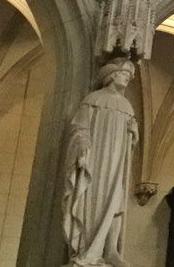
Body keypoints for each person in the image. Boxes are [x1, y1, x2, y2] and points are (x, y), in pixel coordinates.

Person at [63, 58, 139, 267]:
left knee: (117, 200)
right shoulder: (94, 99)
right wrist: (83, 143)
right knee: (93, 202)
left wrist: (133, 133)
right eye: (125, 74)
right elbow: (79, 127)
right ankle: (88, 249)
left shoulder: (127, 106)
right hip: (97, 161)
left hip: (116, 162)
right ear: (113, 75)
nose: (129, 79)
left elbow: (130, 139)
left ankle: (111, 249)